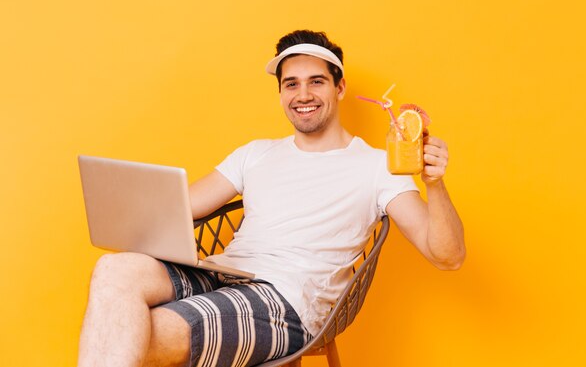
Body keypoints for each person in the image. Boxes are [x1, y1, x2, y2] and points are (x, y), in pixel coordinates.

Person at [77, 30, 465, 367]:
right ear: (280, 92)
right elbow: (176, 210)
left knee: (140, 333)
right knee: (115, 269)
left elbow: (447, 256)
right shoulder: (255, 153)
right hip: (221, 273)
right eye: (291, 84)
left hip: (286, 300)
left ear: (340, 87)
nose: (303, 95)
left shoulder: (378, 165)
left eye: (317, 81)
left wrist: (435, 184)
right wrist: (121, 203)